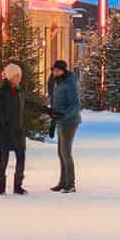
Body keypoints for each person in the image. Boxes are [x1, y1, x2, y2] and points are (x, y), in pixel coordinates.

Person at [0, 62, 30, 195]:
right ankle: (1, 188)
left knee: (21, 157)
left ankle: (18, 185)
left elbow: (27, 103)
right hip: (5, 132)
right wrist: (5, 123)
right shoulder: (1, 92)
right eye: (16, 76)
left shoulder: (19, 90)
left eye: (20, 76)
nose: (19, 78)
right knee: (4, 159)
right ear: (9, 76)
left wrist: (47, 110)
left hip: (17, 131)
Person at [46, 60, 82, 192]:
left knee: (66, 152)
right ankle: (63, 181)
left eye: (57, 70)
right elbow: (56, 102)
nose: (54, 72)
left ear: (63, 70)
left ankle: (70, 183)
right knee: (61, 152)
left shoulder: (69, 83)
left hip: (70, 122)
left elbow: (76, 105)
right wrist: (54, 120)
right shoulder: (57, 82)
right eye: (53, 70)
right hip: (61, 121)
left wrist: (64, 115)